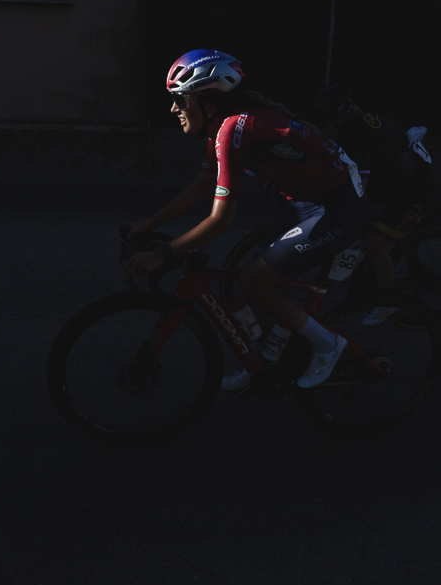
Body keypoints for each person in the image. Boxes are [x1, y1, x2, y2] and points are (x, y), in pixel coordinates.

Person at [123, 50, 369, 389]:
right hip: (308, 205)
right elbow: (199, 187)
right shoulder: (222, 127)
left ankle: (329, 345)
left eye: (180, 100)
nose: (173, 109)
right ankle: (267, 363)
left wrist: (162, 253)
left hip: (335, 210)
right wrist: (148, 225)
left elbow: (220, 221)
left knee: (254, 280)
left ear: (207, 102)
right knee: (253, 278)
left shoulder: (233, 131)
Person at [308, 83, 433, 325]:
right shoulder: (348, 126)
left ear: (341, 117)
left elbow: (360, 188)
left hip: (414, 189)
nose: (321, 131)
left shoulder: (358, 135)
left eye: (325, 125)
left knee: (376, 245)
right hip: (391, 180)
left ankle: (387, 304)